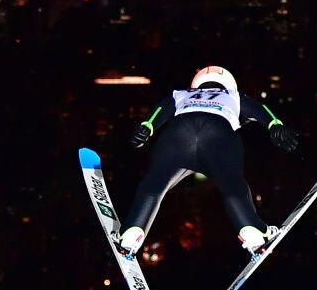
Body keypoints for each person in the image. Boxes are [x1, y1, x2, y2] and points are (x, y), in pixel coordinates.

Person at [116, 65, 299, 256]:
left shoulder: (182, 94)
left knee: (154, 184)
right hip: (217, 134)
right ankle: (253, 232)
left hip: (178, 135)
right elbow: (258, 108)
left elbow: (160, 109)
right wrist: (275, 125)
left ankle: (131, 234)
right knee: (232, 184)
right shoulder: (234, 95)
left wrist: (147, 127)